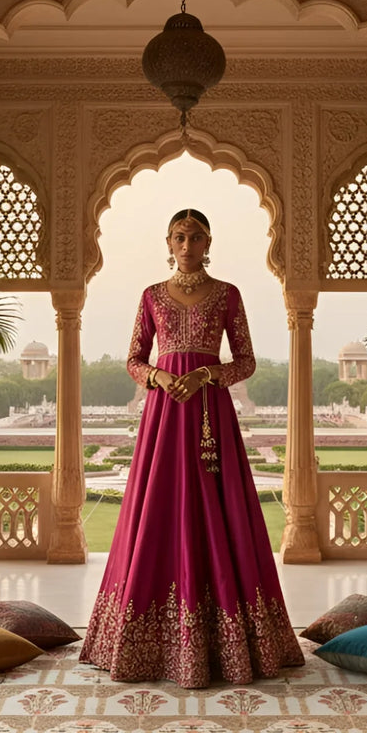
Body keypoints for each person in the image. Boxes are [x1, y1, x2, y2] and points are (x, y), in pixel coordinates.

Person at [80, 208, 305, 688]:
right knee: (158, 509)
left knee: (218, 510)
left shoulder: (228, 294)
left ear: (208, 242)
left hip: (210, 418)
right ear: (168, 242)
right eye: (179, 237)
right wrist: (159, 376)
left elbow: (246, 360)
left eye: (196, 236)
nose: (187, 245)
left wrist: (206, 374)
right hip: (164, 415)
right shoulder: (150, 296)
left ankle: (230, 642)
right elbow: (134, 358)